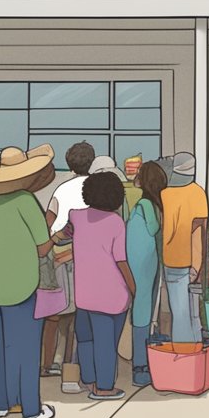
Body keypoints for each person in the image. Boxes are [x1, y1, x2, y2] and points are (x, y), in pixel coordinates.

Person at [0, 145, 57, 418]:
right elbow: (42, 247)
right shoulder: (25, 200)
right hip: (22, 283)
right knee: (25, 347)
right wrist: (55, 233)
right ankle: (30, 409)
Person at [64, 172, 135, 401]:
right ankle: (104, 388)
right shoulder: (116, 223)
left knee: (85, 338)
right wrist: (133, 288)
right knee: (105, 343)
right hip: (111, 295)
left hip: (84, 294)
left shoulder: (76, 216)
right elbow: (121, 260)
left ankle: (90, 380)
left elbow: (64, 234)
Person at [40, 141, 95, 388]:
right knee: (77, 317)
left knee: (54, 315)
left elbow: (48, 222)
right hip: (86, 259)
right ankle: (71, 369)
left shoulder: (62, 190)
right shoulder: (96, 189)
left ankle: (45, 363)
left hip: (60, 256)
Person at [160, 152, 208, 345]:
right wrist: (202, 263)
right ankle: (194, 354)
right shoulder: (197, 192)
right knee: (193, 313)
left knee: (179, 312)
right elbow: (201, 229)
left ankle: (184, 355)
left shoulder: (164, 194)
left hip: (170, 258)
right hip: (193, 260)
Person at [126, 161, 165, 387]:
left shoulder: (141, 205)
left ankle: (142, 363)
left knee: (143, 310)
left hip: (139, 261)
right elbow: (153, 229)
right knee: (143, 311)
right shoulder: (147, 205)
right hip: (144, 263)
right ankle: (140, 366)